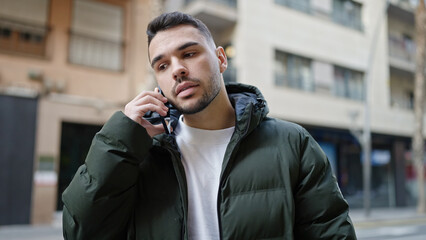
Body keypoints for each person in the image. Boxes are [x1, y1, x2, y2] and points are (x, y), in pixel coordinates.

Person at [62, 11, 357, 240]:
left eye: (189, 54)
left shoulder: (292, 143)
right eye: (162, 66)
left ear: (220, 59)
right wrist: (121, 139)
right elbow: (81, 232)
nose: (177, 69)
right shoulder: (141, 154)